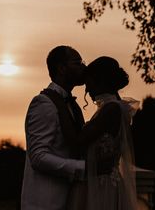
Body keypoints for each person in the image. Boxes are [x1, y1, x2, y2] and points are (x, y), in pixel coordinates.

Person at [44, 56, 139, 210]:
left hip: (101, 187)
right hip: (96, 184)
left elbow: (77, 140)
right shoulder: (113, 107)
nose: (87, 90)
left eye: (89, 82)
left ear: (99, 80)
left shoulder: (111, 109)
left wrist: (60, 105)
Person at [21, 45, 88, 210]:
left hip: (71, 200)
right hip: (45, 204)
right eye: (78, 63)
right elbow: (37, 156)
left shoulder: (72, 106)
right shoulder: (44, 103)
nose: (84, 67)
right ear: (62, 68)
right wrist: (83, 168)